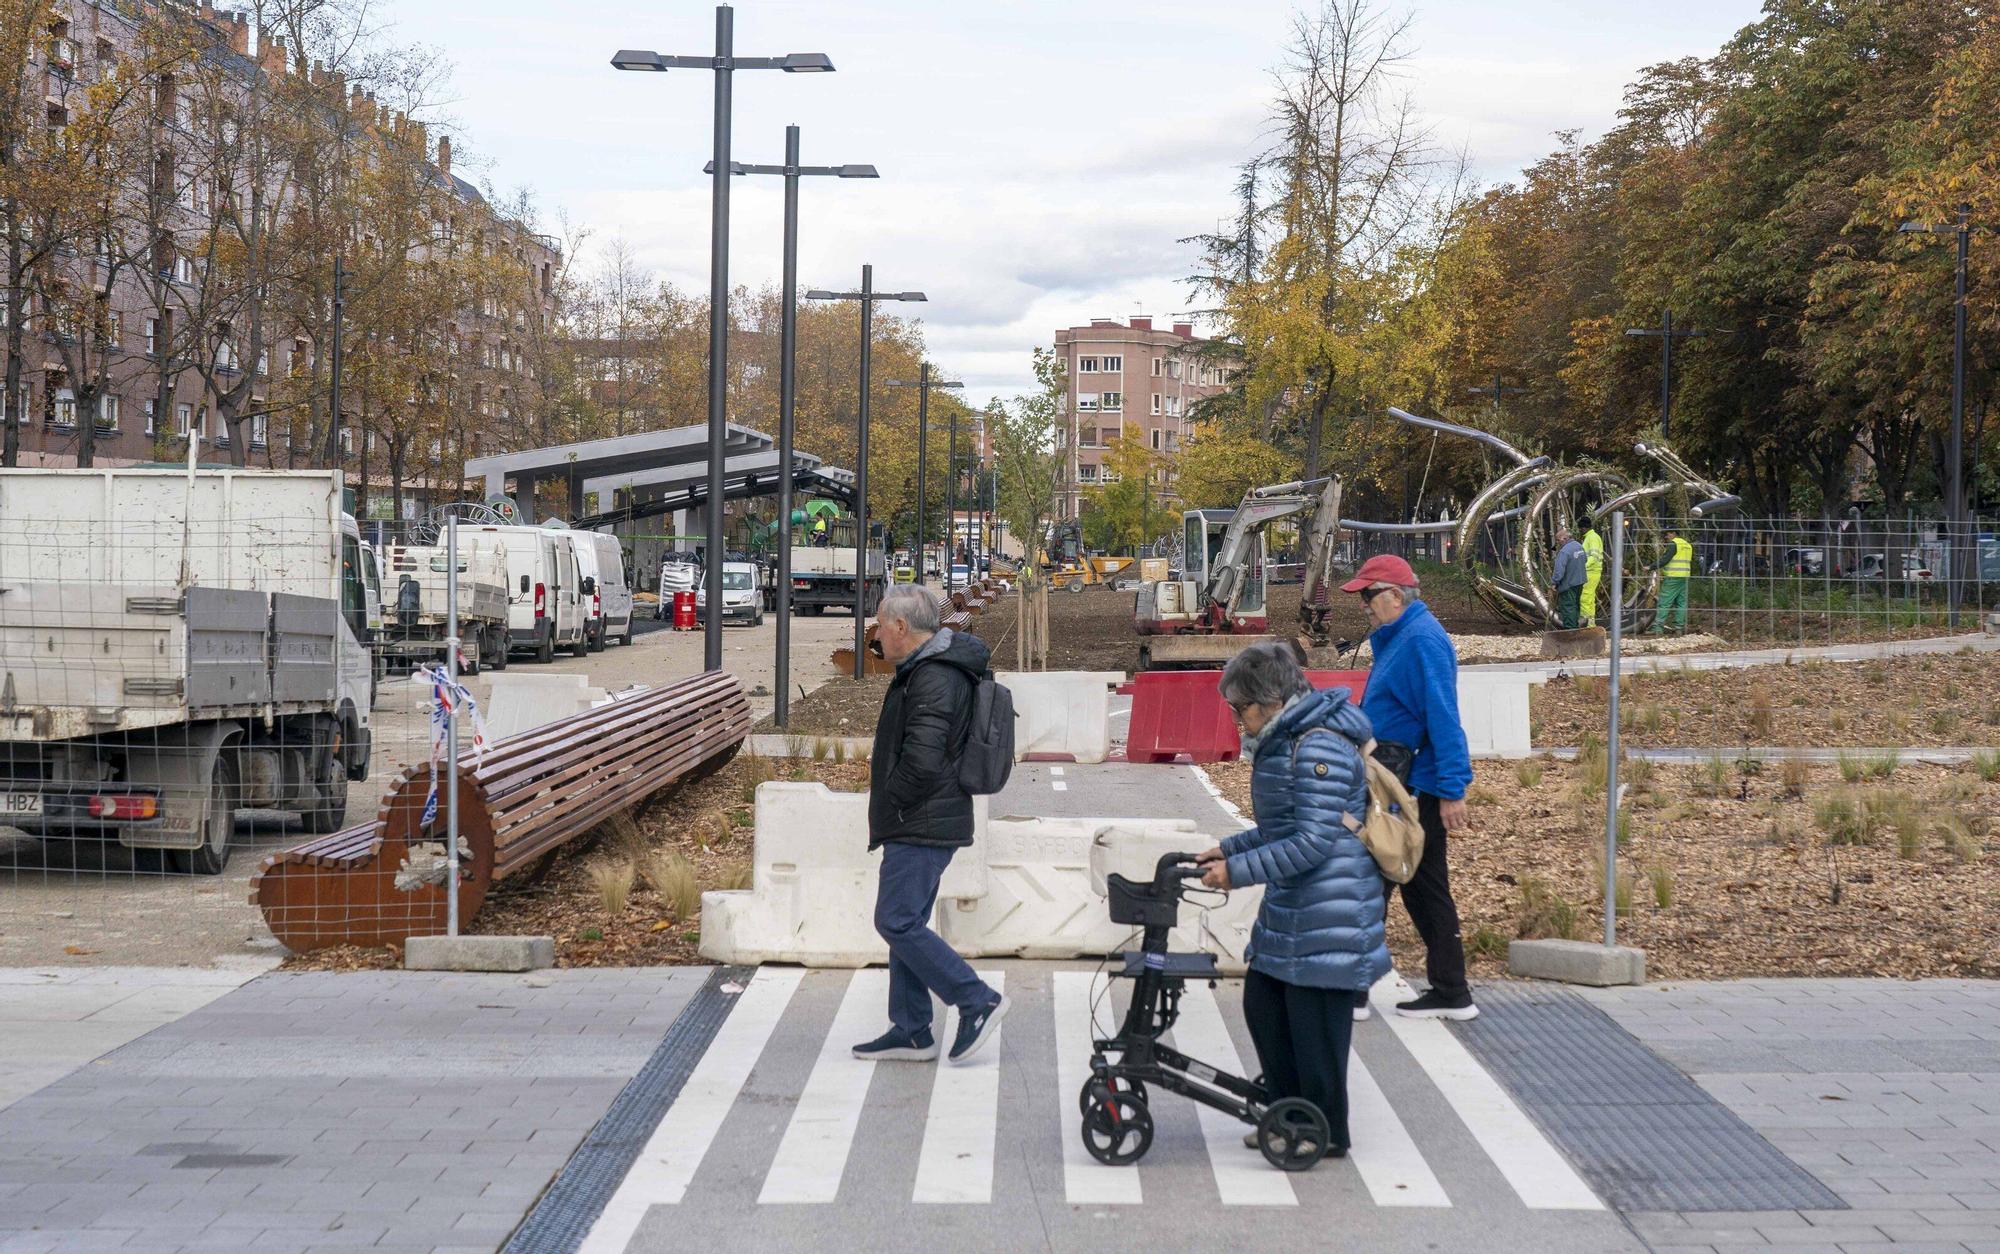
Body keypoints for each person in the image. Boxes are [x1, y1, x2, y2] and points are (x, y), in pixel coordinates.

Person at [1194, 643, 1388, 1162]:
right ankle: (1289, 1111)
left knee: (1314, 1028)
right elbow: (1285, 829)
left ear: (1273, 699)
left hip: (1332, 905)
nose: (1237, 719)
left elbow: (1312, 842)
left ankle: (1324, 1130)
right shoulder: (1287, 740)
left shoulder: (1317, 746)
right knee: (1265, 1003)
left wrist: (1235, 872)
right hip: (1301, 901)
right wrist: (1230, 848)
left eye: (1242, 708)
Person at [853, 585, 1008, 1064]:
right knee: (908, 920)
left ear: (901, 627)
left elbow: (922, 759)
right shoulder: (926, 669)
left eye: (880, 625)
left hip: (921, 817)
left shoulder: (933, 677)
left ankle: (974, 999)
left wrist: (891, 801)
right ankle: (911, 1028)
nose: (876, 634)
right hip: (923, 816)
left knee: (895, 920)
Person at [1341, 554, 1479, 1020]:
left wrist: (1454, 788)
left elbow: (1444, 717)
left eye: (1368, 595)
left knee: (1370, 876)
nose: (1364, 606)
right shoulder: (1404, 636)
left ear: (1395, 595)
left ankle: (1354, 992)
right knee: (1422, 886)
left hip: (1410, 788)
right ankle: (1451, 991)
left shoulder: (1421, 640)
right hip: (1404, 783)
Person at [1650, 525, 1694, 634]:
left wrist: (1651, 567)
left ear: (1674, 533)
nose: (1666, 536)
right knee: (1681, 603)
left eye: (1668, 533)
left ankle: (1657, 627)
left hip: (1673, 577)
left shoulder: (1673, 544)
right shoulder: (1688, 545)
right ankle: (1678, 628)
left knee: (1664, 601)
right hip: (1684, 577)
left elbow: (1665, 559)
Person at [1551, 527, 1587, 629]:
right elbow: (1585, 560)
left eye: (1558, 540)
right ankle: (1576, 628)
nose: (1557, 543)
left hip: (1568, 584)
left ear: (1565, 538)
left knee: (1568, 608)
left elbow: (1559, 571)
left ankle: (1570, 631)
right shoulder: (1579, 546)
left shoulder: (1564, 551)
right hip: (1579, 582)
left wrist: (1554, 583)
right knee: (1576, 606)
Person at [1579, 520, 1605, 627]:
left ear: (1584, 528)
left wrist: (1582, 567)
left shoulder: (1592, 538)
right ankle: (1590, 624)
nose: (1579, 531)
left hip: (1590, 572)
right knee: (1590, 598)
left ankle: (1585, 624)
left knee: (1584, 597)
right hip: (1593, 571)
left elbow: (1593, 557)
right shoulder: (1592, 537)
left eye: (1580, 528)